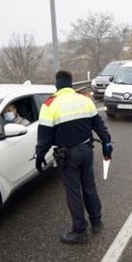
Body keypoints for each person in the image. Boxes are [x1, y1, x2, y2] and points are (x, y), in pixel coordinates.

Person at [35, 70, 113, 244]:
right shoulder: (84, 100)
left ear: (57, 84)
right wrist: (107, 143)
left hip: (67, 156)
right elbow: (99, 126)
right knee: (89, 187)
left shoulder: (49, 105)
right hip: (86, 150)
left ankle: (79, 231)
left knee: (73, 192)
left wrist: (39, 157)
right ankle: (96, 221)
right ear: (70, 83)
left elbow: (44, 138)